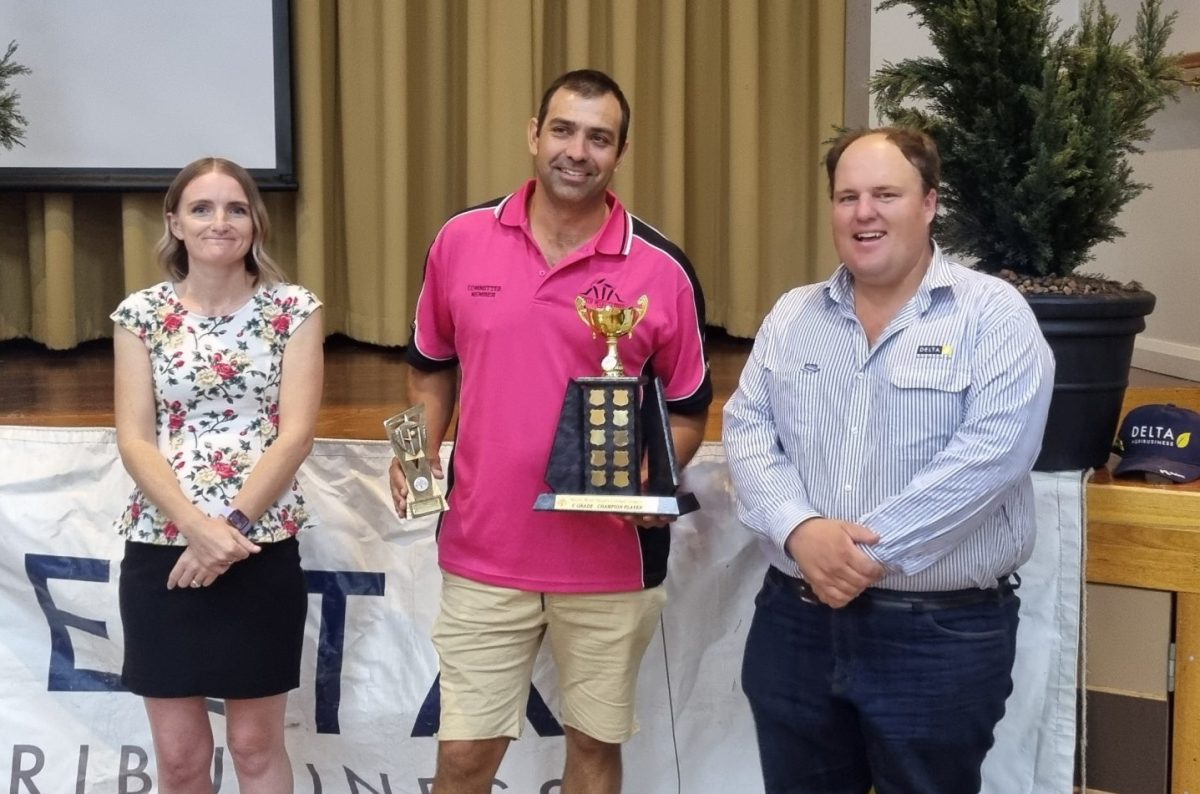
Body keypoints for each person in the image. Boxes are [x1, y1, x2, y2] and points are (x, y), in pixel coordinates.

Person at [389, 69, 711, 793]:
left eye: (599, 138)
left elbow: (688, 408)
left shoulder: (661, 269)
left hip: (610, 564)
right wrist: (414, 459)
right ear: (534, 135)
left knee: (593, 751)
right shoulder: (460, 240)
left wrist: (642, 484)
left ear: (620, 153)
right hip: (484, 551)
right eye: (563, 130)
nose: (578, 151)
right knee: (465, 757)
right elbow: (428, 368)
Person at [722, 127, 1055, 793]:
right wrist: (798, 530)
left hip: (937, 637)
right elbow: (747, 428)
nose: (863, 212)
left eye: (885, 194)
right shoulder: (793, 317)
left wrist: (859, 558)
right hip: (796, 627)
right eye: (847, 196)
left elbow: (992, 455)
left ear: (929, 202)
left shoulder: (993, 316)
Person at [111, 157, 323, 794]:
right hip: (161, 551)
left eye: (235, 208)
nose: (219, 222)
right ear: (174, 222)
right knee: (178, 758)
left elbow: (296, 435)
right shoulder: (140, 314)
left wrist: (227, 530)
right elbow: (134, 438)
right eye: (201, 208)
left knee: (255, 747)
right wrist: (195, 529)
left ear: (254, 222)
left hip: (257, 546)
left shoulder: (294, 309)